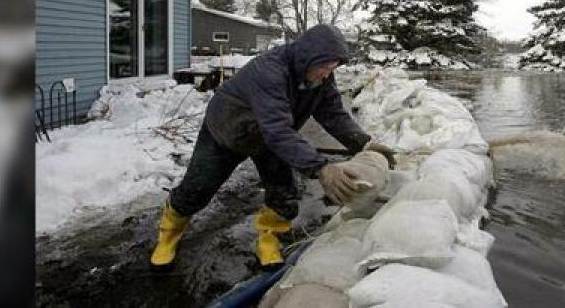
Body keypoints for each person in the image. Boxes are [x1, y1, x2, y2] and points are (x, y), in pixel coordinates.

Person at [150, 25, 392, 269]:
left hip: (269, 138)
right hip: (228, 130)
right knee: (197, 189)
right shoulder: (269, 71)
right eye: (324, 67)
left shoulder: (320, 75)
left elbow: (333, 114)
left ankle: (268, 238)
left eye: (333, 68)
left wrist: (364, 143)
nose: (327, 75)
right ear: (307, 57)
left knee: (284, 195)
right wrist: (321, 168)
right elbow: (277, 129)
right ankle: (169, 233)